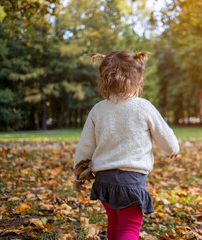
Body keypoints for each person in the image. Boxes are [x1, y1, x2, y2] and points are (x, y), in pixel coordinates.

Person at [73, 50, 179, 240]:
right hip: (131, 182)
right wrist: (172, 149)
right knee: (129, 227)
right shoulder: (144, 106)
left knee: (114, 222)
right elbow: (164, 134)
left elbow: (85, 146)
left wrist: (79, 172)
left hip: (104, 181)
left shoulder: (98, 110)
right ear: (138, 79)